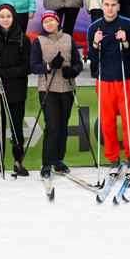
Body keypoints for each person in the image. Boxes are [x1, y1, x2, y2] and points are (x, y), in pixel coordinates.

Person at [86, 0, 130, 178]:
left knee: (129, 121)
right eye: (106, 4)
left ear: (118, 6)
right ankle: (113, 158)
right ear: (101, 5)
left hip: (124, 78)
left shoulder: (128, 24)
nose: (110, 8)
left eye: (113, 5)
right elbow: (92, 59)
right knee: (108, 122)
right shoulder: (95, 27)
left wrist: (125, 41)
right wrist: (95, 43)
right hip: (104, 80)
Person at [29, 11, 84, 178]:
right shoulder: (39, 41)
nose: (49, 24)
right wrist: (49, 66)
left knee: (62, 126)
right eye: (45, 22)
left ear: (58, 22)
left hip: (67, 88)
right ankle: (47, 163)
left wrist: (73, 71)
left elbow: (78, 62)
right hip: (48, 89)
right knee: (52, 125)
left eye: (52, 21)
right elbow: (33, 67)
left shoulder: (69, 39)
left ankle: (59, 160)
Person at [0, 4, 32, 177]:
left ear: (14, 17)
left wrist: (3, 72)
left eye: (8, 16)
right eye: (1, 16)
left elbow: (27, 67)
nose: (5, 19)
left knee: (16, 126)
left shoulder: (23, 39)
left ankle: (18, 160)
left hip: (16, 89)